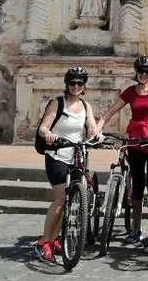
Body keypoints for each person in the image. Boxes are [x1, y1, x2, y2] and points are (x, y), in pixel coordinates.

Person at [97, 55, 148, 247]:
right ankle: (136, 229)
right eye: (140, 71)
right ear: (136, 72)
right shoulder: (130, 91)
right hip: (136, 138)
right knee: (137, 185)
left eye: (147, 72)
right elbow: (112, 110)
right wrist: (99, 126)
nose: (143, 75)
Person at [35, 67, 100, 262]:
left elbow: (92, 128)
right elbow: (43, 128)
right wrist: (49, 135)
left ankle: (55, 238)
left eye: (80, 83)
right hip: (57, 156)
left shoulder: (86, 105)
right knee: (61, 199)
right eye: (72, 83)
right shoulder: (58, 103)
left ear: (84, 86)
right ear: (67, 84)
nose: (76, 86)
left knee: (70, 202)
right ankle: (43, 242)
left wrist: (97, 135)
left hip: (76, 157)